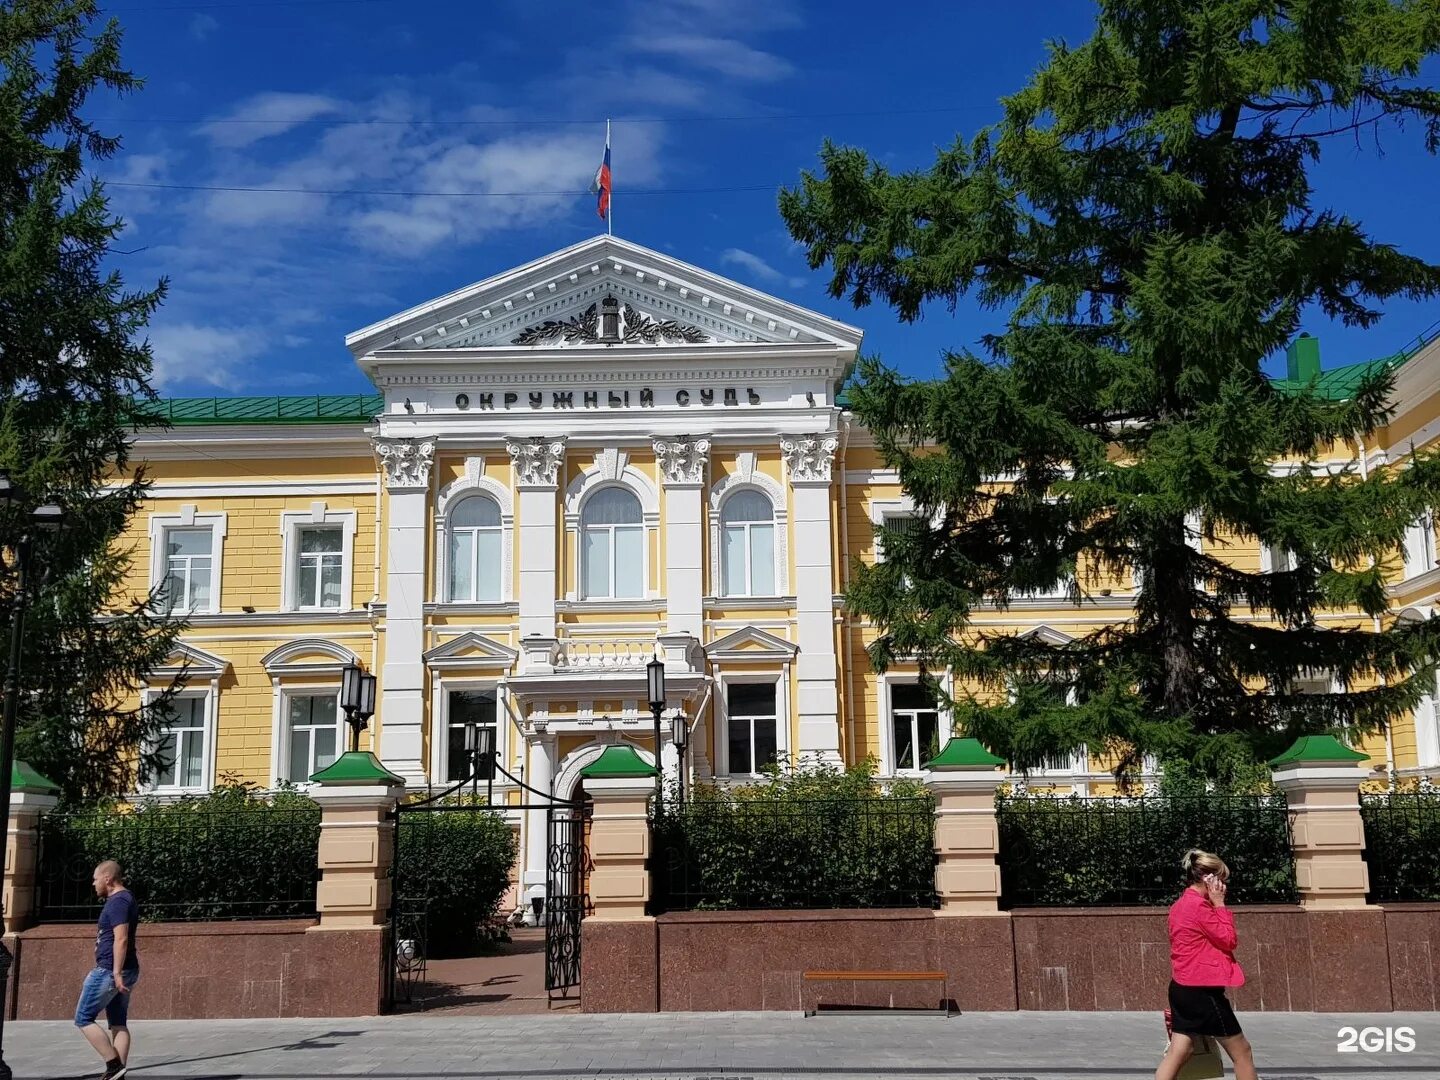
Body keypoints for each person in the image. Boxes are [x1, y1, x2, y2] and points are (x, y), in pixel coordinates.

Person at [1156, 849, 1256, 1080]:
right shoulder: (1200, 908)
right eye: (1221, 877)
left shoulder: (1179, 905)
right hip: (1202, 991)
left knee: (1180, 1050)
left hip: (1182, 987)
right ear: (1207, 878)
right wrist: (1220, 904)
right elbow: (1228, 940)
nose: (1223, 884)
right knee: (1242, 1052)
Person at [73, 860, 139, 1080]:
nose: (93, 883)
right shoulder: (124, 899)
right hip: (123, 969)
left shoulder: (118, 901)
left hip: (109, 971)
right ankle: (117, 1074)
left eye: (95, 878)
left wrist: (116, 973)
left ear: (108, 878)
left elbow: (121, 938)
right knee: (118, 1022)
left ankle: (113, 1066)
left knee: (83, 1018)